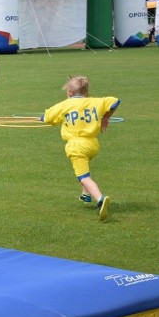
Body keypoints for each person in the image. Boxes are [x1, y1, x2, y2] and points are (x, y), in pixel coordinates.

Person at [41, 75, 119, 222]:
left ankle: (100, 199)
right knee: (83, 167)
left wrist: (43, 118)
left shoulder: (64, 105)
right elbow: (115, 102)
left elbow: (48, 118)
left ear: (69, 93)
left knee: (84, 177)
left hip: (76, 146)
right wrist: (105, 117)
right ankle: (86, 195)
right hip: (92, 144)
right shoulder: (96, 102)